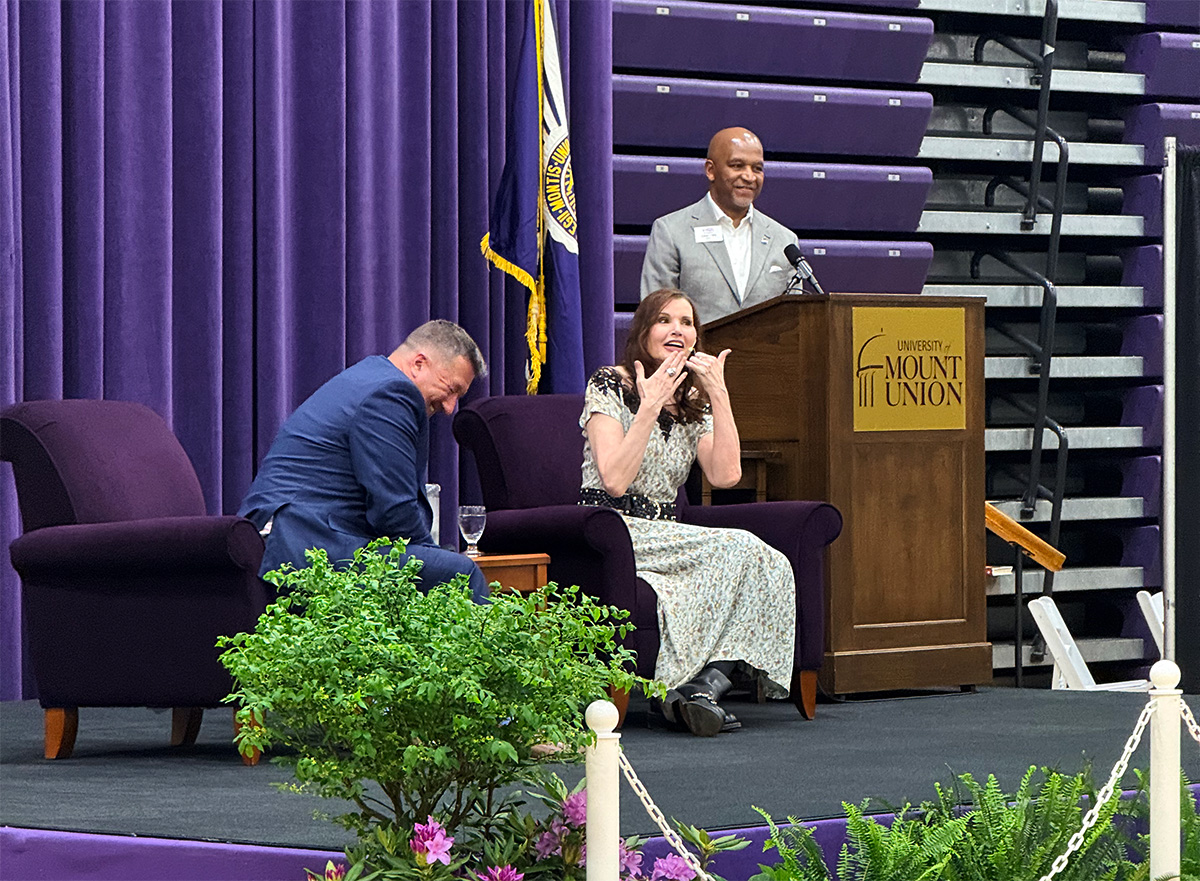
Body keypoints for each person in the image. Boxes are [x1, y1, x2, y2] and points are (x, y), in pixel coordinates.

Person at [579, 288, 797, 736]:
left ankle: (702, 687)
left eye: (687, 322)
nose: (677, 330)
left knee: (771, 563)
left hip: (668, 535)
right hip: (613, 530)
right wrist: (650, 404)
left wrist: (719, 395)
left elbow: (726, 474)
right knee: (741, 548)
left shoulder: (692, 399)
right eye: (664, 320)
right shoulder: (609, 383)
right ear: (643, 331)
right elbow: (615, 479)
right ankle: (687, 691)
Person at [239, 320, 489, 600]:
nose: (450, 407)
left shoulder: (371, 377)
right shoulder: (392, 393)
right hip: (305, 543)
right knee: (460, 575)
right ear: (419, 363)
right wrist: (432, 556)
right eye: (451, 388)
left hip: (298, 537)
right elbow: (394, 511)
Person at [639, 127, 800, 325]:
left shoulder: (785, 240)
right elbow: (657, 320)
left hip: (768, 356)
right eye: (737, 165)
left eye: (757, 168)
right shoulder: (671, 231)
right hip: (697, 355)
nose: (749, 176)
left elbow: (794, 323)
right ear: (710, 170)